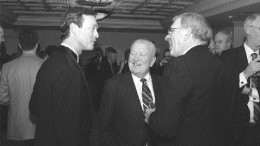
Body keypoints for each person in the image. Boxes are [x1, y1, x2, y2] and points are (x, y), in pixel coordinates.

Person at [146, 12, 227, 146]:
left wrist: (151, 117)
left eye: (171, 31)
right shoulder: (218, 63)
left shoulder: (179, 65)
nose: (167, 37)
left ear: (187, 33)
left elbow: (166, 128)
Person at [29, 7, 99, 146]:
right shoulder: (68, 69)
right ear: (73, 28)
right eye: (93, 28)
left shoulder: (53, 60)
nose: (97, 34)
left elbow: (34, 107)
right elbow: (71, 132)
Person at [99, 39, 162, 146]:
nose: (136, 58)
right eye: (132, 53)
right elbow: (104, 128)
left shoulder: (163, 84)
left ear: (152, 61)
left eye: (142, 54)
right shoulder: (113, 85)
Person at [0, 28, 44, 146]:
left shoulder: (7, 67)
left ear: (19, 45)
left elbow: (2, 98)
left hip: (16, 127)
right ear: (37, 45)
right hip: (39, 127)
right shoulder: (45, 65)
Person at [221, 13, 260, 146]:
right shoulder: (229, 57)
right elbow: (224, 89)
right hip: (238, 129)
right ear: (249, 30)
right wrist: (246, 73)